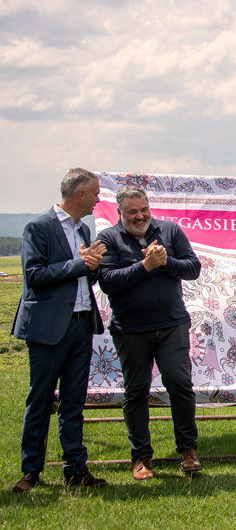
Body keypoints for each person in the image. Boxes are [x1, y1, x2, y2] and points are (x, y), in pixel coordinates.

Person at [96, 186, 202, 480]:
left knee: (179, 383)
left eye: (144, 209)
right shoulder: (107, 238)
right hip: (130, 329)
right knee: (136, 391)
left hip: (172, 324)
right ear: (120, 213)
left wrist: (166, 262)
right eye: (132, 212)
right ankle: (141, 458)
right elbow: (108, 281)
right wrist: (145, 265)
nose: (140, 216)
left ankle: (188, 451)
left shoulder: (170, 231)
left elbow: (193, 268)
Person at [12, 168, 108, 493]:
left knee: (74, 402)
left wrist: (92, 267)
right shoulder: (38, 227)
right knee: (40, 400)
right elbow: (34, 275)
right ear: (80, 194)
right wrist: (81, 264)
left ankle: (75, 469)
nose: (98, 200)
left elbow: (81, 276)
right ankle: (30, 471)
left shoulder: (82, 231)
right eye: (95, 193)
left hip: (82, 325)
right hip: (49, 328)